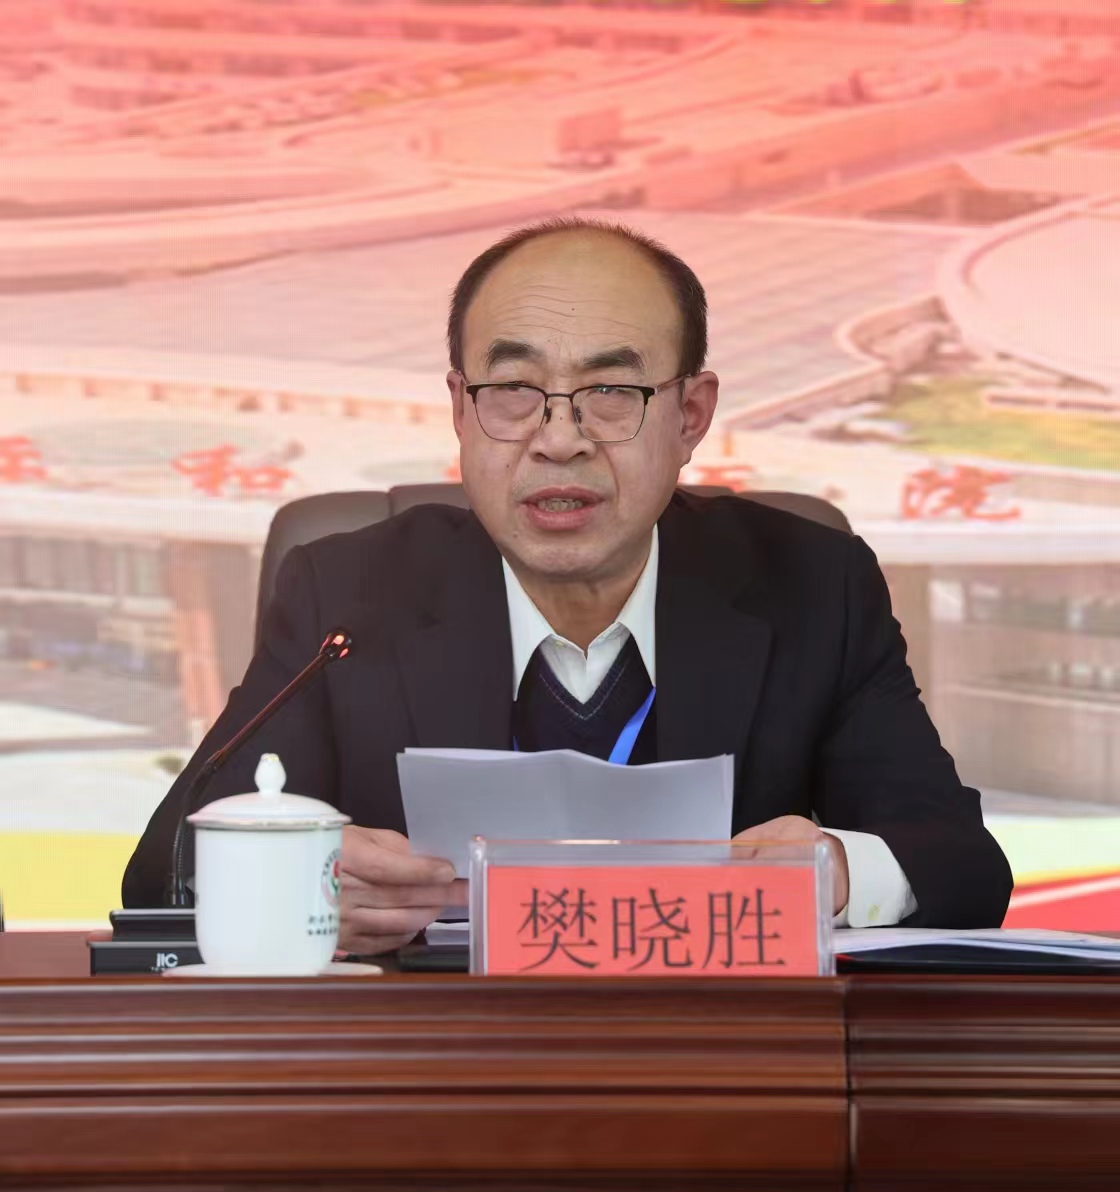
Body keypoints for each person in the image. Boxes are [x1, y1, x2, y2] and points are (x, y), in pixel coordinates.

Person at [123, 219, 1013, 948]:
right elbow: (162, 867)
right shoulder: (349, 593)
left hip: (717, 1068)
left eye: (612, 391)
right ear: (460, 409)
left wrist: (839, 870)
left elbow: (961, 865)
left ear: (691, 414)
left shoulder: (811, 586)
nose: (558, 439)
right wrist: (298, 879)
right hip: (428, 1070)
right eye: (513, 389)